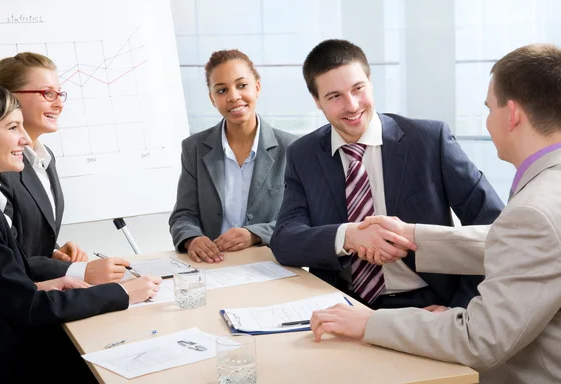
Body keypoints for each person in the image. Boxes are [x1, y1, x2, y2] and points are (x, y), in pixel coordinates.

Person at [310, 43, 561, 384]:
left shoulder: (534, 210)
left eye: (489, 108)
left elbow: (481, 339)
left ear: (512, 114)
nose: (487, 122)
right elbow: (520, 246)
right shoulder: (548, 192)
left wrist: (368, 323)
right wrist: (413, 236)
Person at [270, 39, 504, 310]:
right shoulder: (303, 153)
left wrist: (459, 307)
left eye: (358, 88)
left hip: (427, 303)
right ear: (317, 101)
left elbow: (496, 230)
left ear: (370, 81)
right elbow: (285, 240)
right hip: (344, 304)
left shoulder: (429, 140)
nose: (352, 105)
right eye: (334, 96)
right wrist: (348, 236)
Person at [0, 82, 162, 382]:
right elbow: (24, 309)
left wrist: (48, 284)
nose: (26, 139)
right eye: (13, 127)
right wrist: (121, 292)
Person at [0, 52, 130, 284]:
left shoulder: (45, 157)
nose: (59, 103)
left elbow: (26, 237)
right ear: (9, 97)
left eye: (60, 94)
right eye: (48, 93)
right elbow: (7, 257)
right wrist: (82, 271)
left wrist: (53, 252)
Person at [169, 49, 297, 264]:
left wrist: (255, 234)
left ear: (257, 87)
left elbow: (299, 220)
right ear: (212, 98)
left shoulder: (291, 148)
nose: (233, 96)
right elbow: (183, 214)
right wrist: (193, 238)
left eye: (241, 85)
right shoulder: (195, 148)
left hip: (270, 265)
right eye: (221, 90)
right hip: (212, 265)